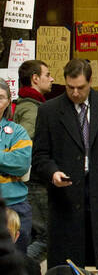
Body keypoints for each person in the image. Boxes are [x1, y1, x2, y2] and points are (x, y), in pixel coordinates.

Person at [31, 57, 98, 271]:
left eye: (81, 88)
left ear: (90, 81)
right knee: (68, 262)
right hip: (66, 195)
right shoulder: (49, 111)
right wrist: (53, 173)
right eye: (70, 87)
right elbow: (40, 156)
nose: (75, 93)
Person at [12, 58, 52, 262]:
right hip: (34, 181)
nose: (52, 78)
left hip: (30, 181)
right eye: (47, 75)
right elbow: (25, 144)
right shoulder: (32, 108)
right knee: (47, 236)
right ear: (35, 79)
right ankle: (18, 271)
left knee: (32, 234)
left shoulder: (26, 104)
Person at [0, 78, 33, 251]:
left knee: (15, 266)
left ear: (8, 102)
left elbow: (21, 164)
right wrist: (6, 158)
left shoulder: (18, 131)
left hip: (15, 205)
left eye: (1, 97)